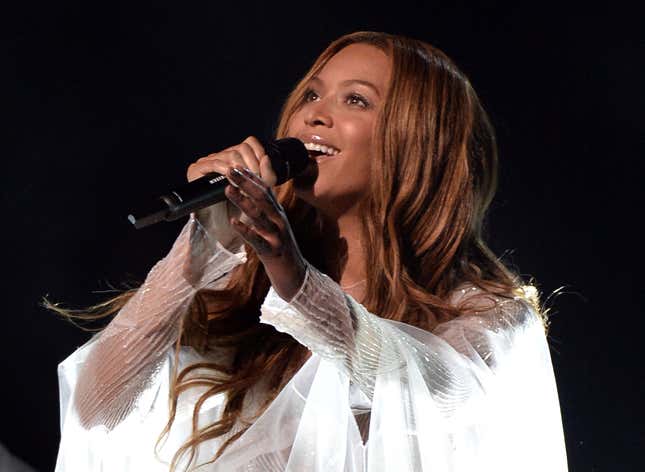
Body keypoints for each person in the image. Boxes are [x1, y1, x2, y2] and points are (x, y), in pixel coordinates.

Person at [51, 31, 568, 471]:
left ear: (419, 141)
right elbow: (96, 408)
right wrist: (203, 246)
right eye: (311, 96)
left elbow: (413, 390)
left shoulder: (486, 316)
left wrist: (295, 281)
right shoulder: (245, 287)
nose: (315, 118)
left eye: (356, 100)